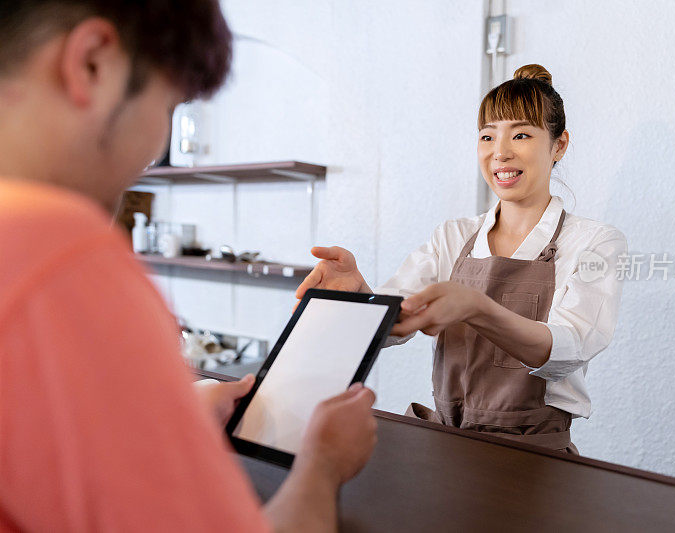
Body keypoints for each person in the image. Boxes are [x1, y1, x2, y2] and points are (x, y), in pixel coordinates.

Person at [0, 2, 376, 531]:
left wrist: (157, 422)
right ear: (92, 64)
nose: (153, 153)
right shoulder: (63, 259)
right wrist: (324, 464)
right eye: (168, 105)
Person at [296, 64, 627, 454]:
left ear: (559, 145)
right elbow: (399, 321)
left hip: (536, 457)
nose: (500, 152)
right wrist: (361, 299)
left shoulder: (594, 242)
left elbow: (569, 347)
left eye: (521, 134)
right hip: (445, 445)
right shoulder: (451, 237)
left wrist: (476, 308)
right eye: (487, 136)